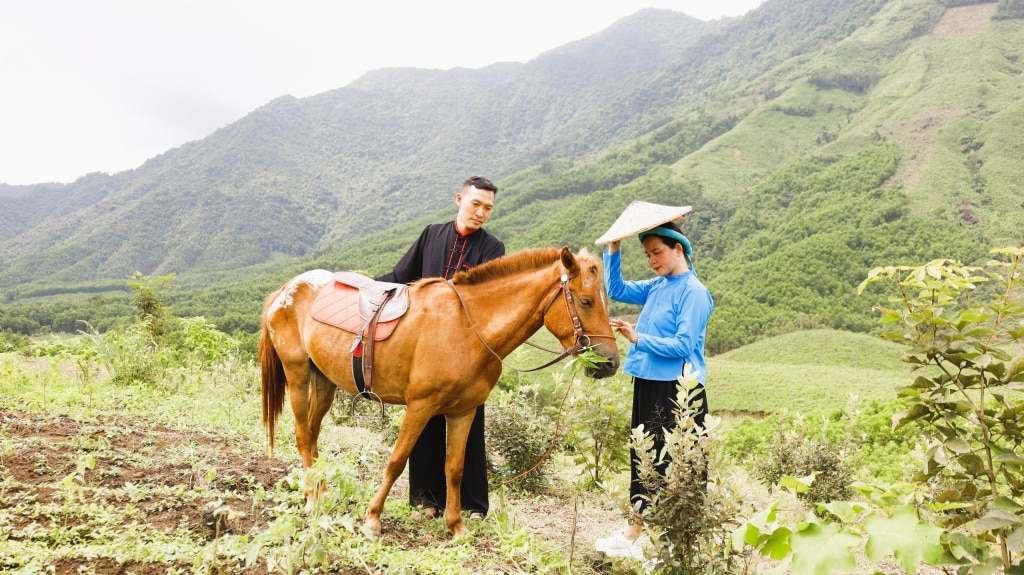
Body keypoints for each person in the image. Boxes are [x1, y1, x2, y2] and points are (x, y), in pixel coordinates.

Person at [376, 175, 504, 521]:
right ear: (459, 199)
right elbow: (402, 273)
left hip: (464, 351)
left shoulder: (492, 249)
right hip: (424, 345)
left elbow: (481, 300)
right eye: (476, 204)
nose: (480, 212)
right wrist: (367, 288)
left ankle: (472, 504)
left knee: (468, 426)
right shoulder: (432, 233)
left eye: (488, 208)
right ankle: (424, 501)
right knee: (423, 420)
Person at [595, 220, 714, 557]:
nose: (652, 260)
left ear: (679, 249)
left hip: (678, 391)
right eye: (647, 254)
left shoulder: (694, 292)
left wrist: (638, 338)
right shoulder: (658, 286)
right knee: (644, 458)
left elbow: (682, 345)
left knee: (675, 464)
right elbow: (616, 289)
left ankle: (677, 545)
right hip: (648, 382)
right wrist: (614, 249)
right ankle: (634, 536)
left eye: (657, 252)